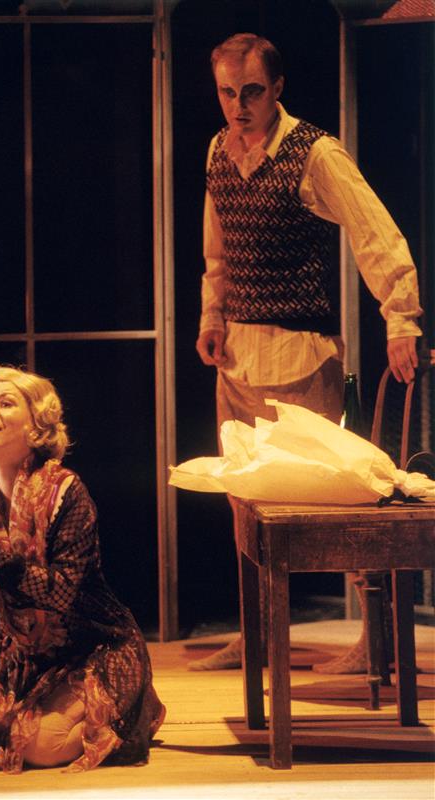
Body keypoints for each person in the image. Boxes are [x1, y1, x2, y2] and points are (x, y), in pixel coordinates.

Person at [190, 33, 423, 671]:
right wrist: (212, 314)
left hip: (300, 356)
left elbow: (375, 230)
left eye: (251, 92)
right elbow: (217, 249)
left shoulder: (313, 152)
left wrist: (400, 316)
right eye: (227, 93)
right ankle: (261, 634)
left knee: (329, 500)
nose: (238, 106)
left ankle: (377, 640)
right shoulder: (217, 151)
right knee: (244, 503)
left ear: (277, 89)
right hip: (238, 359)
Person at [0, 365, 165, 773]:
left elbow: (60, 593)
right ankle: (28, 711)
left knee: (42, 747)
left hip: (94, 645)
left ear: (35, 425)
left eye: (5, 403)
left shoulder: (67, 491)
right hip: (25, 654)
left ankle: (130, 708)